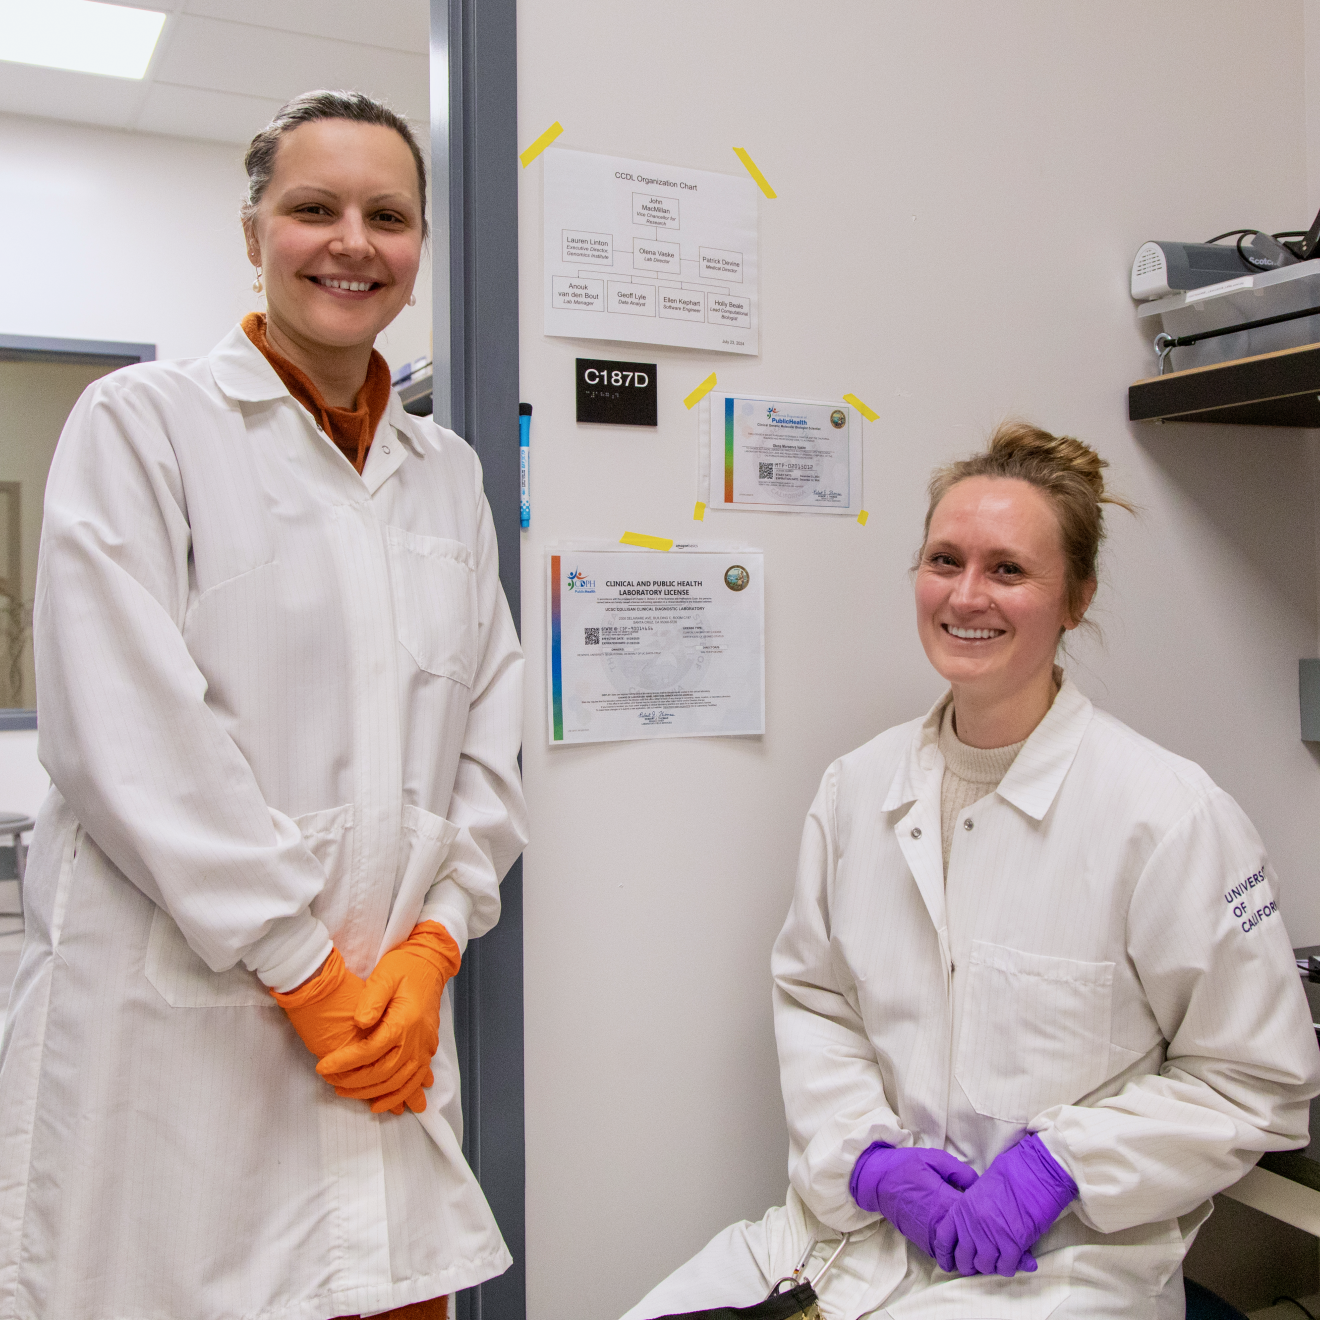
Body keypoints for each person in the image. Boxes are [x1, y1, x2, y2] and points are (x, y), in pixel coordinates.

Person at [0, 91, 527, 1320]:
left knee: (387, 1295)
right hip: (190, 1041)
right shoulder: (145, 427)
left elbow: (485, 735)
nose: (353, 240)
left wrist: (437, 941)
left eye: (388, 216)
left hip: (385, 1040)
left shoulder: (445, 474)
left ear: (419, 249)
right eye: (314, 208)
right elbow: (126, 735)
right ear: (253, 235)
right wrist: (304, 968)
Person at [621, 424, 1320, 1320]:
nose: (966, 595)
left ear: (1076, 600)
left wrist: (1056, 1167)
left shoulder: (1168, 815)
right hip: (851, 1237)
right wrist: (869, 1162)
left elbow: (1255, 1081)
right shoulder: (857, 790)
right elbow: (817, 1002)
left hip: (1059, 1268)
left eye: (1008, 570)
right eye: (944, 559)